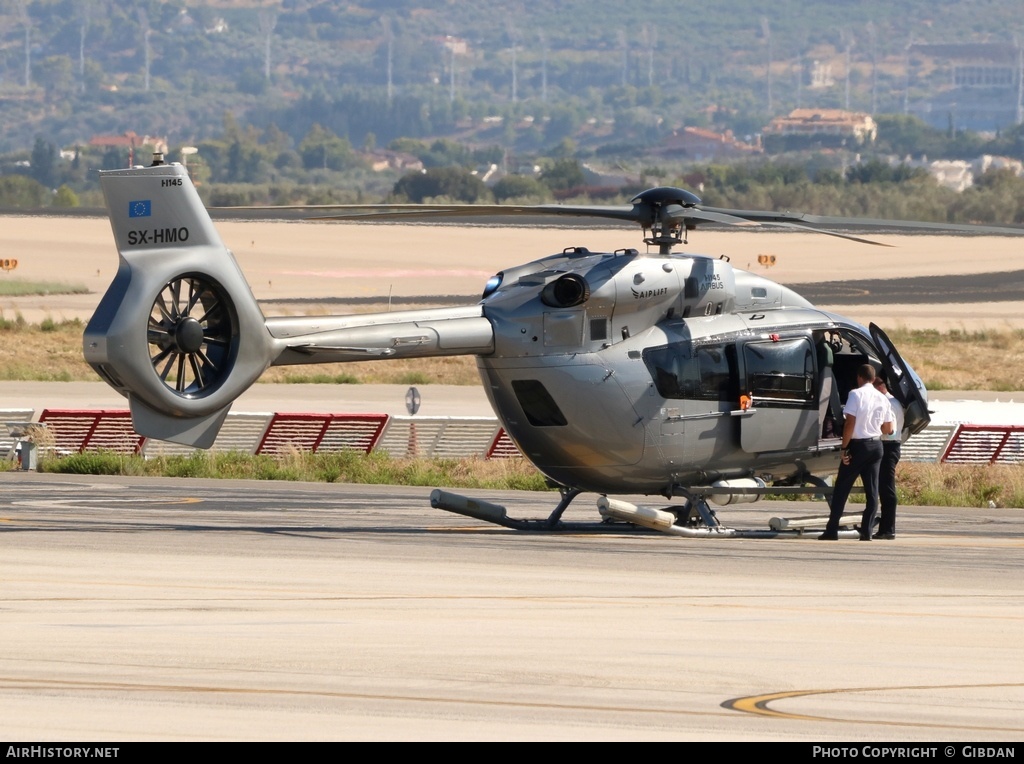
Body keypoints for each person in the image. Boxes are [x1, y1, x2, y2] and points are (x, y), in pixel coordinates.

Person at [819, 364, 894, 541]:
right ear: (874, 379)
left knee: (842, 489)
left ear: (859, 378)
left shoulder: (855, 394)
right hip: (876, 446)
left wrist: (844, 448)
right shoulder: (883, 398)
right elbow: (888, 428)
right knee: (872, 491)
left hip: (858, 446)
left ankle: (832, 530)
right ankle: (866, 532)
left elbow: (849, 423)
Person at [873, 373, 904, 540]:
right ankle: (886, 527)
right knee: (885, 488)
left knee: (887, 489)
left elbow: (889, 431)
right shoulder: (894, 402)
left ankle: (887, 528)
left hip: (888, 446)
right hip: (891, 445)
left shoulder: (887, 403)